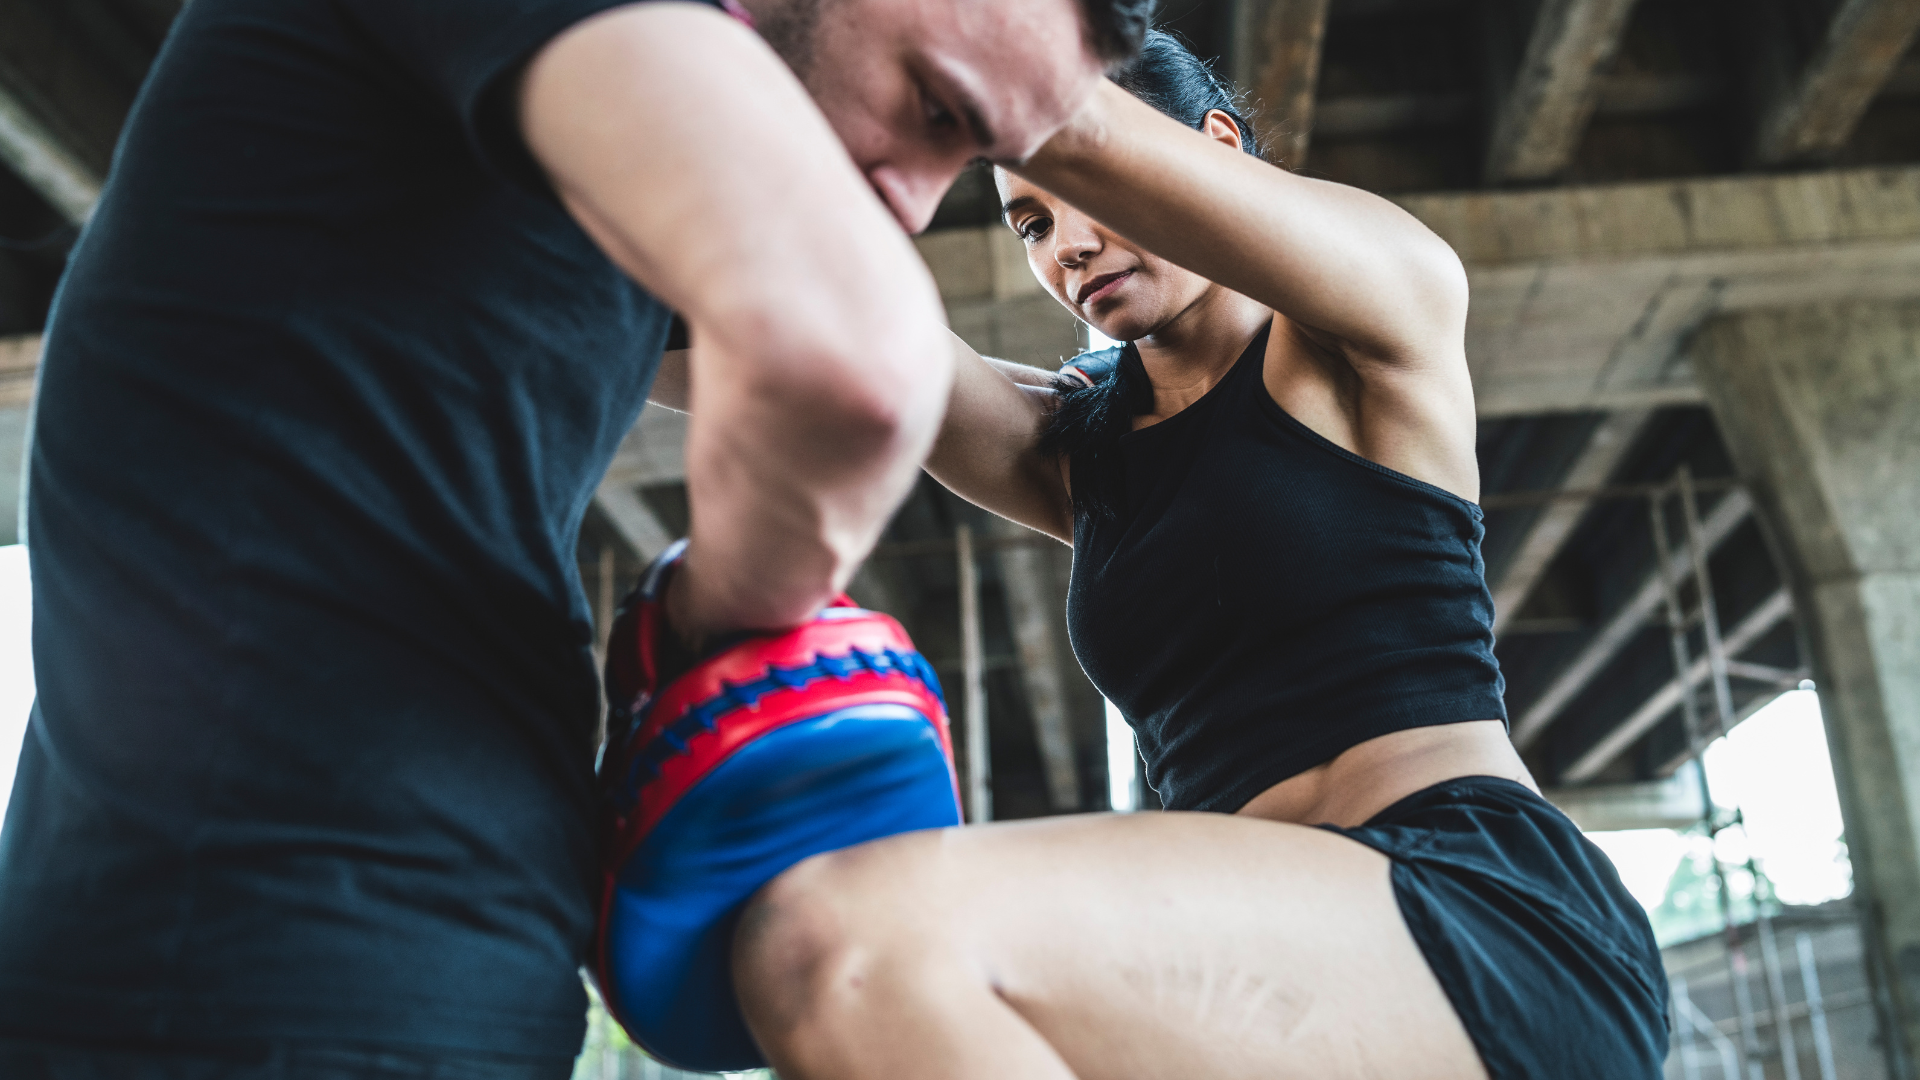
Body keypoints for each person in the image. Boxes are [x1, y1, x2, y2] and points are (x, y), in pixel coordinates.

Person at [0, 0, 1151, 1074]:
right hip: (241, 960)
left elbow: (933, 391)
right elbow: (853, 355)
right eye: (935, 109)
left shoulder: (589, 159)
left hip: (436, 964)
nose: (915, 202)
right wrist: (732, 618)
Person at [724, 32, 1670, 1080]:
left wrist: (953, 48)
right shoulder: (1074, 452)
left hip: (1473, 921)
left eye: (1085, 197)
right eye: (1030, 223)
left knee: (842, 938)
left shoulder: (1366, 330)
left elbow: (1057, 106)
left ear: (1213, 148)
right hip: (1257, 978)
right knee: (825, 959)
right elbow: (791, 335)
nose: (1066, 248)